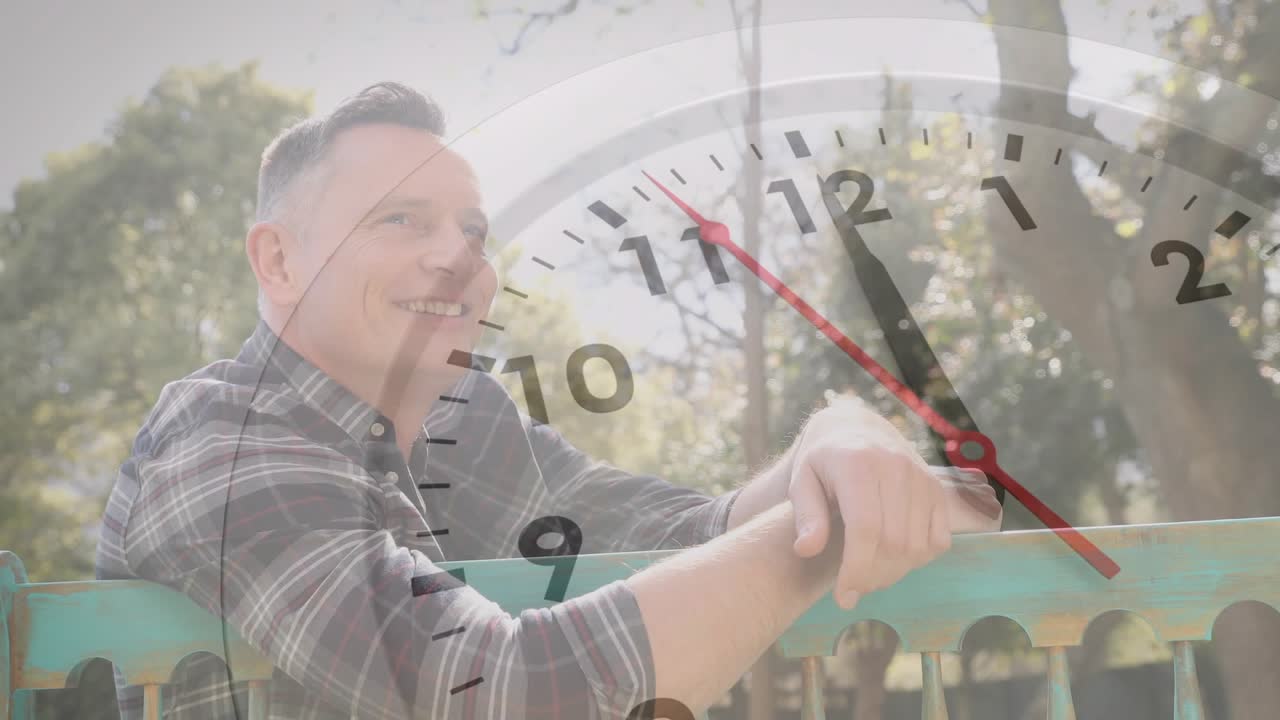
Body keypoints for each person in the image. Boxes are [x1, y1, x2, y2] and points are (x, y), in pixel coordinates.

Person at [95, 81, 1000, 719]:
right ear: (278, 261)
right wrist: (819, 537)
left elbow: (694, 534)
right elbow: (501, 692)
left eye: (471, 230)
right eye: (399, 220)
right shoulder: (222, 443)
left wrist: (838, 442)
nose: (457, 257)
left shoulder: (469, 425)